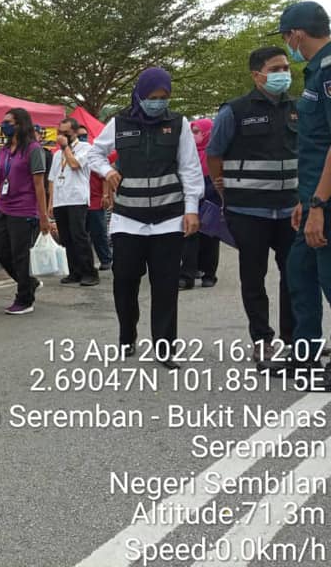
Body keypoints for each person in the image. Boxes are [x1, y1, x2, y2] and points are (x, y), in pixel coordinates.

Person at [88, 67, 203, 369]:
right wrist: (107, 171)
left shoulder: (178, 124)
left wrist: (191, 209)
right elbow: (93, 154)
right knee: (124, 282)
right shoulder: (120, 123)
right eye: (152, 97)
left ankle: (165, 347)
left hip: (169, 219)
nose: (157, 103)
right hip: (128, 220)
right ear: (139, 95)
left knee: (166, 285)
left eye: (164, 97)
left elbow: (190, 168)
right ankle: (127, 335)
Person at [206, 46, 297, 360]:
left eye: (285, 68)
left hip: (290, 209)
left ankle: (294, 337)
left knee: (294, 276)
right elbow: (214, 154)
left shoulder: (298, 108)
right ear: (257, 75)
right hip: (247, 210)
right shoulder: (234, 111)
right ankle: (262, 339)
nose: (283, 74)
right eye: (275, 69)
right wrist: (224, 190)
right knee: (253, 278)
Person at [259, 1, 331, 385]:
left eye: (287, 36)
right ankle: (305, 356)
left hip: (327, 201)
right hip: (315, 197)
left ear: (297, 34)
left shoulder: (329, 71)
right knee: (299, 273)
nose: (288, 44)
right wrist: (306, 200)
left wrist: (318, 203)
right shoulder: (316, 71)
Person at [0, 108, 51, 315]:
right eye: (3, 122)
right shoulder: (4, 150)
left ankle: (24, 298)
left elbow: (39, 185)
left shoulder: (33, 149)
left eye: (9, 122)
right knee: (1, 251)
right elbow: (1, 180)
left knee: (20, 256)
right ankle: (29, 282)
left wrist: (43, 217)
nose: (4, 125)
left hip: (24, 209)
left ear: (21, 124)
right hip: (4, 207)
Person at [48, 117, 99, 286]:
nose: (62, 136)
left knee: (79, 235)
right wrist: (50, 202)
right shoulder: (57, 154)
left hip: (76, 198)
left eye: (66, 133)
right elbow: (52, 179)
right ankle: (74, 271)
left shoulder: (85, 148)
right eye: (60, 132)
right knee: (66, 237)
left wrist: (65, 147)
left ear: (75, 133)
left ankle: (89, 272)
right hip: (60, 199)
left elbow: (75, 164)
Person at [179, 119, 220, 290]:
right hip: (192, 199)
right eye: (192, 131)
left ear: (207, 132)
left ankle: (209, 274)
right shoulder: (188, 152)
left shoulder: (215, 152)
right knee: (189, 235)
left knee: (210, 237)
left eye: (197, 131)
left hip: (212, 197)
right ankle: (187, 275)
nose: (194, 135)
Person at [77, 124, 113, 270]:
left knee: (99, 232)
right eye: (79, 136)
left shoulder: (93, 156)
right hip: (79, 201)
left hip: (96, 200)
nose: (82, 138)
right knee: (82, 235)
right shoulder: (72, 156)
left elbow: (104, 177)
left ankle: (105, 259)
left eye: (84, 135)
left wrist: (106, 195)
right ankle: (85, 263)